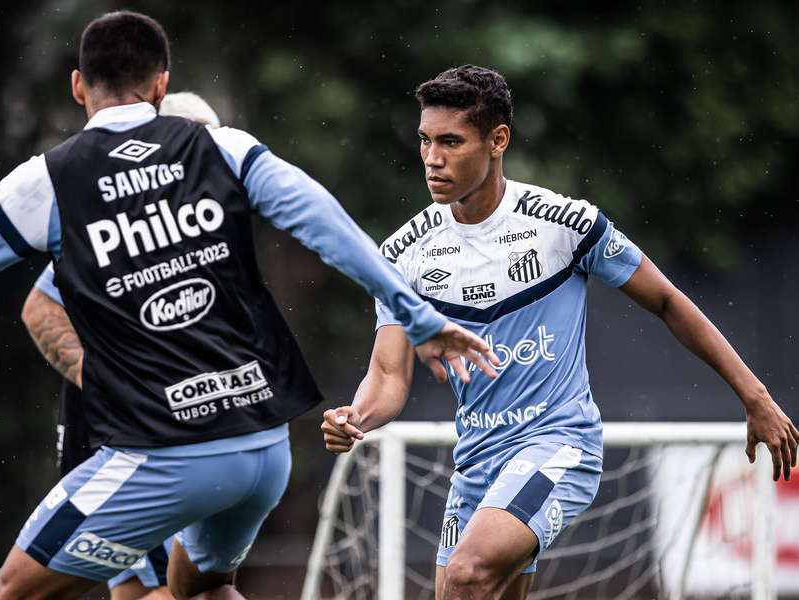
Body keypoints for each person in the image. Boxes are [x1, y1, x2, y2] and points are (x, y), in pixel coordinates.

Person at [0, 13, 499, 600]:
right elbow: (333, 230)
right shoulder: (226, 148)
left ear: (78, 86)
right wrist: (419, 317)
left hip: (165, 455)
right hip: (263, 450)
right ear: (161, 84)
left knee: (10, 592)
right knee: (197, 588)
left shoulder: (47, 181)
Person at [319, 64, 799, 600]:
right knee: (469, 589)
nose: (432, 159)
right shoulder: (401, 254)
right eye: (425, 141)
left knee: (467, 573)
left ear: (498, 140)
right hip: (476, 461)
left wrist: (754, 397)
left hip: (557, 444)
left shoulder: (564, 225)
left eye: (451, 142)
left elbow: (667, 301)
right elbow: (387, 377)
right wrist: (354, 417)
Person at [21, 92, 222, 600]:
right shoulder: (123, 225)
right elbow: (41, 307)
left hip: (176, 434)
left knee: (162, 587)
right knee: (156, 587)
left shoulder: (207, 222)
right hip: (135, 435)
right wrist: (114, 385)